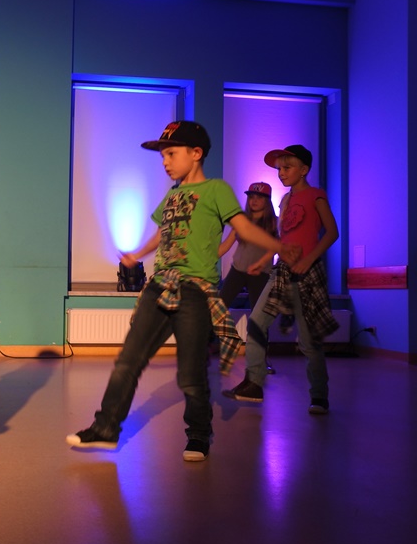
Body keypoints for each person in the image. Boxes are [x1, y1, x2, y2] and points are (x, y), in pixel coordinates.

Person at [65, 121, 300, 462]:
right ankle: (105, 428)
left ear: (196, 153)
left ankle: (199, 435)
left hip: (195, 291)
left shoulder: (216, 190)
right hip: (160, 287)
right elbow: (162, 233)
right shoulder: (172, 195)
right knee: (128, 361)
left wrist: (279, 247)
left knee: (190, 374)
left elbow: (244, 228)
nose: (165, 161)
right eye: (163, 156)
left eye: (171, 154)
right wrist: (136, 254)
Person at [222, 144, 338, 415]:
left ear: (304, 169)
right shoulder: (285, 200)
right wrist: (266, 260)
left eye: (287, 167)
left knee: (308, 341)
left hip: (307, 273)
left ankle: (319, 395)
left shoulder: (316, 196)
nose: (281, 172)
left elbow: (332, 232)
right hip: (282, 271)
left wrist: (309, 259)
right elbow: (283, 240)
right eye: (279, 169)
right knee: (256, 322)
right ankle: (254, 382)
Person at [217, 181, 278, 373]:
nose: (254, 200)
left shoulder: (273, 222)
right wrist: (207, 257)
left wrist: (262, 263)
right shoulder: (242, 221)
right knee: (218, 308)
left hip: (260, 274)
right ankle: (207, 352)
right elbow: (227, 245)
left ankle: (261, 360)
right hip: (238, 270)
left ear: (267, 201)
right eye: (251, 197)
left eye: (259, 197)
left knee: (259, 317)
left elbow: (276, 248)